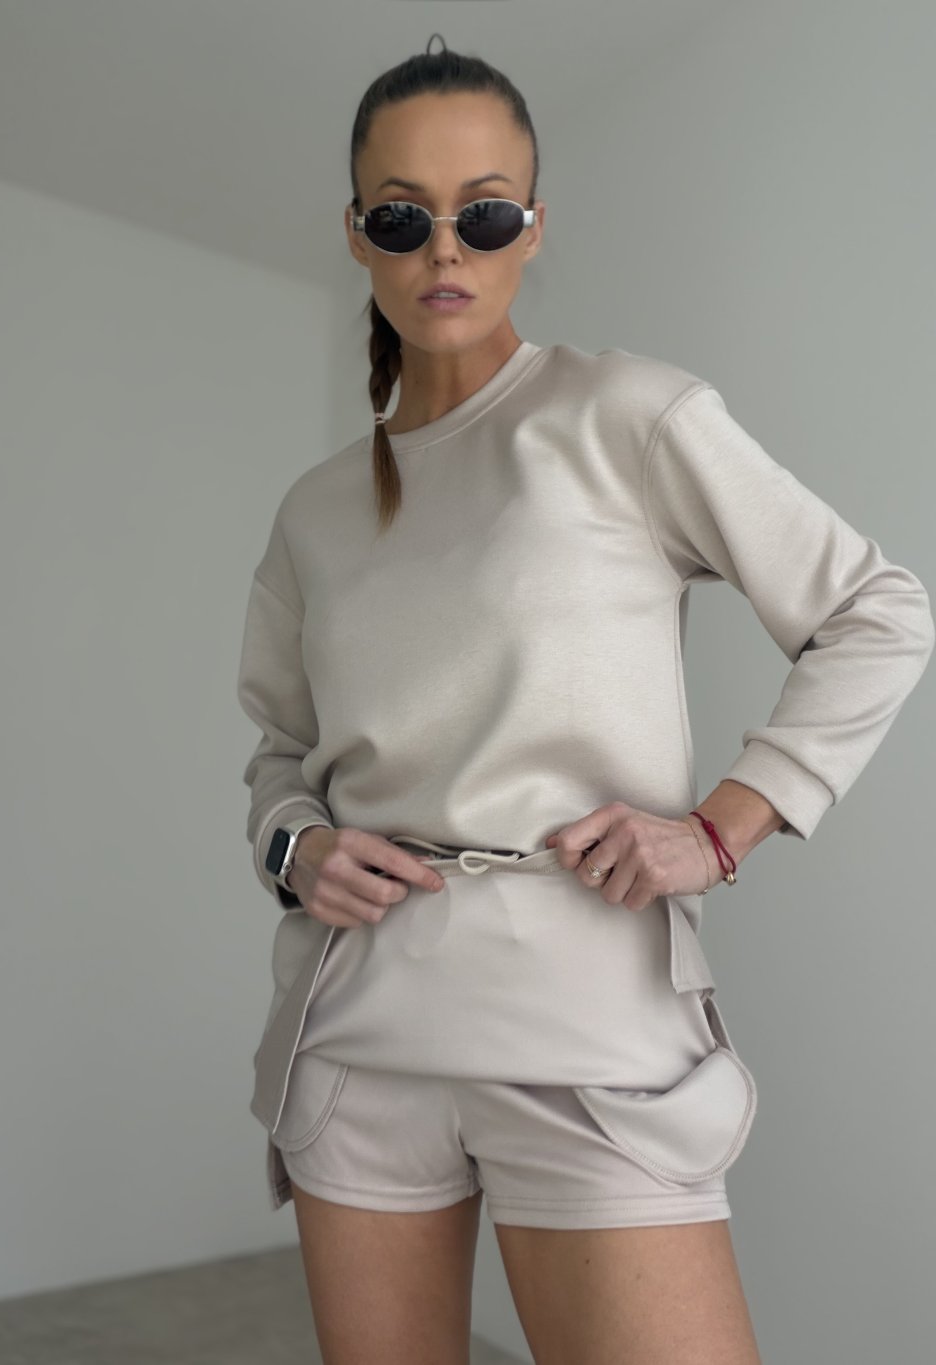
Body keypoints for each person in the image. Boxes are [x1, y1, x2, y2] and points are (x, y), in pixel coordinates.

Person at [235, 34, 934, 1365]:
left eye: (486, 214)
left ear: (534, 227)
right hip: (359, 1034)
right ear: (358, 233)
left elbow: (876, 609)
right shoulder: (313, 514)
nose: (447, 249)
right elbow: (278, 749)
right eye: (404, 217)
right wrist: (296, 846)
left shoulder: (628, 415)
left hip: (593, 1026)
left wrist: (725, 824)